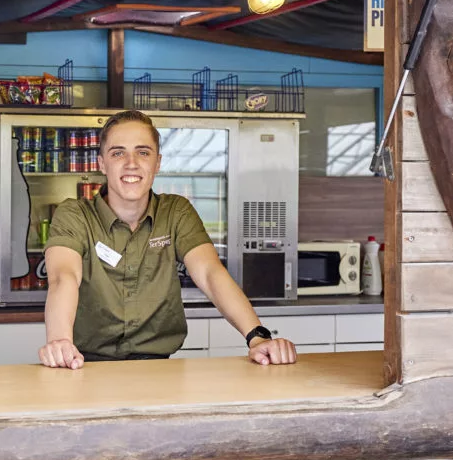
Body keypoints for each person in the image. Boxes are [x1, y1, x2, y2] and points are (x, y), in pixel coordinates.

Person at [38, 110, 297, 369]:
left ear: (157, 162)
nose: (131, 163)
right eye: (118, 153)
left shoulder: (176, 212)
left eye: (143, 152)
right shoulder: (75, 215)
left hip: (160, 368)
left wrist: (257, 337)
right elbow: (63, 277)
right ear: (102, 163)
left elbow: (210, 273)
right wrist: (60, 340)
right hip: (84, 365)